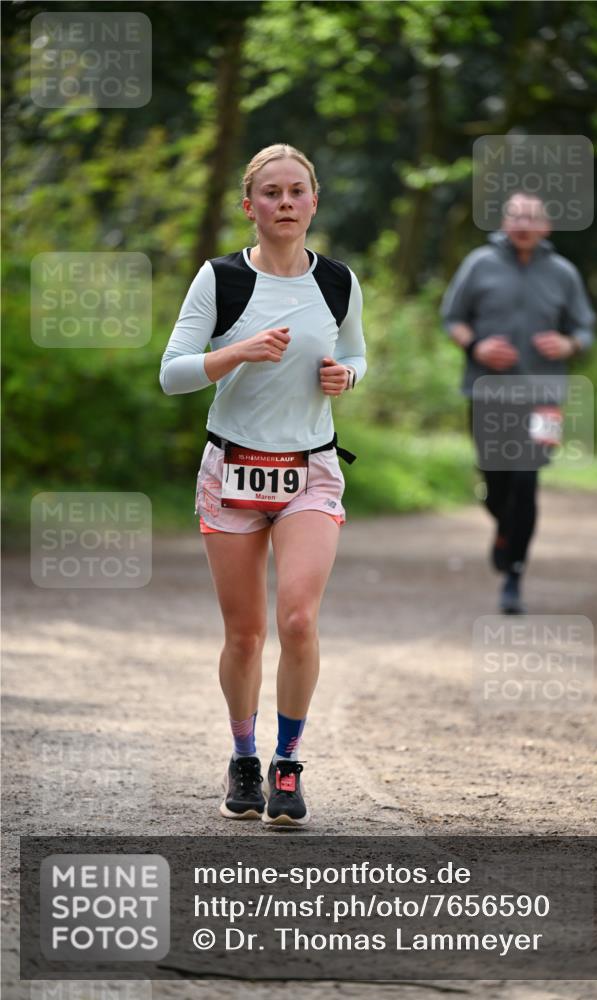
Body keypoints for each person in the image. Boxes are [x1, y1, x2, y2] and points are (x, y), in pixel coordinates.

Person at [159, 144, 366, 825]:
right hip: (232, 469)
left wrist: (347, 376)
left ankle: (288, 763)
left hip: (310, 469)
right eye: (271, 193)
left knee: (298, 620)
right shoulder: (220, 279)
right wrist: (238, 352)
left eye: (296, 191)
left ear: (313, 202)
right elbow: (173, 372)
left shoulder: (337, 281)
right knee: (245, 635)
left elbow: (356, 352)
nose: (284, 203)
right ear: (249, 206)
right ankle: (243, 758)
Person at [441, 193, 595, 613]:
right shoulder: (479, 264)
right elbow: (452, 318)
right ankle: (505, 527)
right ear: (504, 222)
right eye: (516, 216)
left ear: (546, 226)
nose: (523, 224)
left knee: (527, 480)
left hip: (544, 396)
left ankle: (514, 576)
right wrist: (476, 346)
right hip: (487, 392)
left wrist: (568, 343)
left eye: (532, 217)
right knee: (497, 486)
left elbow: (585, 328)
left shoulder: (563, 272)